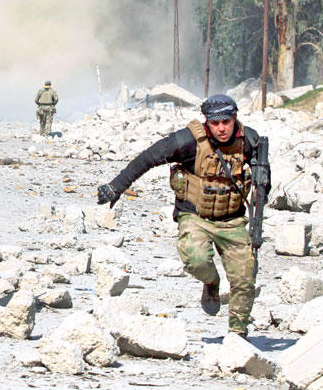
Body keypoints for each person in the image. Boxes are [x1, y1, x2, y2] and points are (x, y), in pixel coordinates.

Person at [96, 94, 269, 338]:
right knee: (196, 260)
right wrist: (116, 186)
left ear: (235, 118)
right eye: (215, 123)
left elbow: (263, 184)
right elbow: (149, 158)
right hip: (195, 216)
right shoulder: (189, 140)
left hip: (233, 221)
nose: (221, 128)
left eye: (226, 122)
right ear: (207, 122)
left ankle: (237, 335)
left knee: (245, 280)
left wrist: (263, 185)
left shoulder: (249, 140)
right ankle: (211, 283)